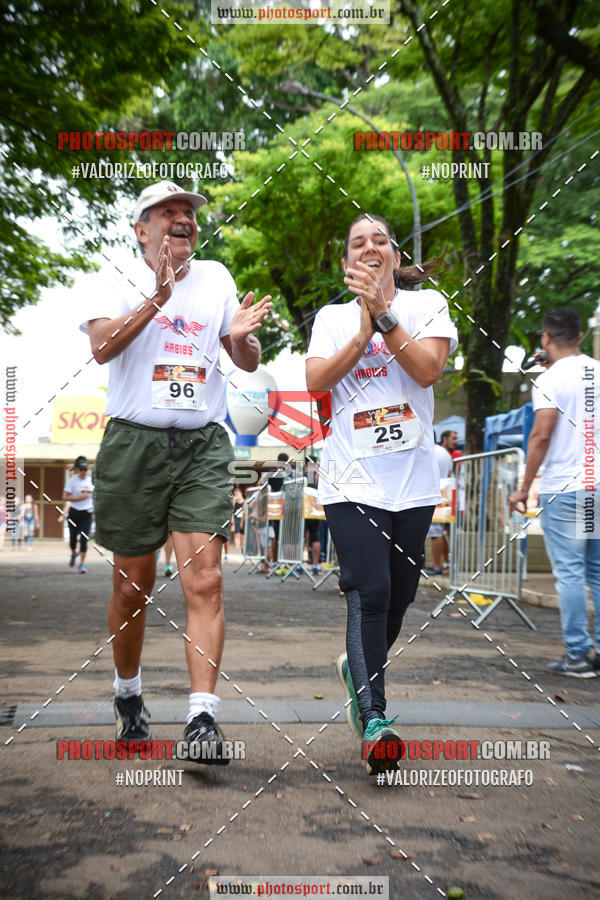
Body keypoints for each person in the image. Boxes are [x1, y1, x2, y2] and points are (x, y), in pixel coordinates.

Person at [81, 180, 271, 760]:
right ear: (142, 229)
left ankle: (202, 719)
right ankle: (129, 696)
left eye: (189, 212)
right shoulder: (113, 274)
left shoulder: (215, 278)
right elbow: (101, 347)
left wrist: (241, 342)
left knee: (206, 578)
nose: (183, 218)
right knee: (131, 584)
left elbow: (245, 354)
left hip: (201, 445)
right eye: (170, 211)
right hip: (133, 443)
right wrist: (157, 297)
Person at [306, 213, 457, 775]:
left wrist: (386, 316)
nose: (369, 248)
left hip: (413, 483)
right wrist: (363, 330)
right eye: (356, 242)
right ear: (347, 262)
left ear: (394, 253)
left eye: (379, 240)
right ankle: (376, 721)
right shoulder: (331, 318)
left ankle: (357, 666)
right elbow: (318, 379)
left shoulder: (428, 307)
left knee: (400, 595)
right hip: (350, 479)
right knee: (367, 592)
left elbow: (427, 369)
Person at [509, 307, 600, 678]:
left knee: (571, 573)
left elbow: (541, 435)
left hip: (565, 488)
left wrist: (524, 487)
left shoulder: (549, 379)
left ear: (545, 339)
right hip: (596, 486)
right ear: (580, 336)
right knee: (596, 571)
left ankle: (578, 654)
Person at [60, 456, 94, 573]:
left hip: (87, 514)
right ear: (77, 470)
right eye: (81, 469)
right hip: (74, 513)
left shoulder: (91, 481)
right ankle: (74, 553)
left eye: (85, 469)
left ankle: (82, 564)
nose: (83, 471)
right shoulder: (72, 481)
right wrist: (80, 497)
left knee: (84, 539)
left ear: (87, 469)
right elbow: (65, 497)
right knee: (73, 540)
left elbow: (96, 496)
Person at [425, 441, 453, 575]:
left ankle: (436, 565)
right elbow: (449, 473)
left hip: (434, 493)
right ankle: (447, 563)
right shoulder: (445, 452)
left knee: (435, 533)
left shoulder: (430, 450)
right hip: (445, 492)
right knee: (441, 531)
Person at [232, 487, 245, 553]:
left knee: (242, 535)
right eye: (235, 494)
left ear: (241, 493)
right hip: (236, 519)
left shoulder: (245, 502)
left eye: (237, 494)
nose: (236, 496)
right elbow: (232, 511)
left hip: (243, 519)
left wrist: (242, 522)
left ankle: (242, 548)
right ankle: (237, 549)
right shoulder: (235, 502)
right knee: (237, 534)